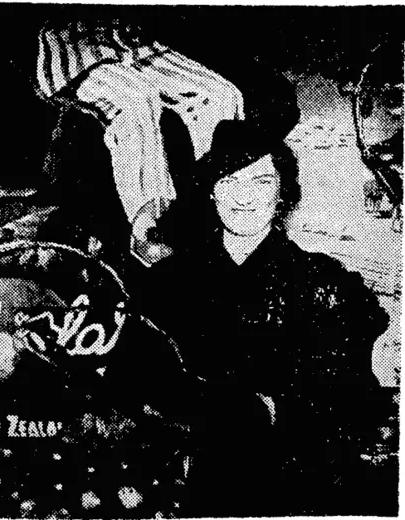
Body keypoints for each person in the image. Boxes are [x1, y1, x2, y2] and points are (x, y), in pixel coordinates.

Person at [143, 120, 390, 516]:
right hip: (184, 484)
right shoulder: (165, 283)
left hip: (291, 482)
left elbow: (353, 397)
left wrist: (267, 410)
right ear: (211, 190)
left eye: (260, 181)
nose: (244, 195)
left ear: (281, 193)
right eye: (229, 180)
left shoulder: (324, 283)